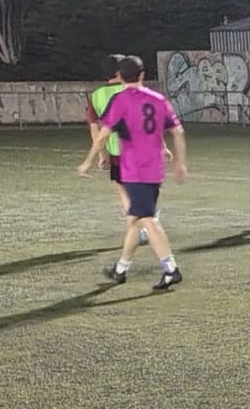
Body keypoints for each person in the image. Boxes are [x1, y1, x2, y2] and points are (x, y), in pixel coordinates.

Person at [80, 55, 187, 290]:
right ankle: (120, 269)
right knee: (136, 219)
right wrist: (180, 163)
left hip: (134, 170)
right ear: (142, 75)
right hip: (154, 170)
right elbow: (177, 131)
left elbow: (103, 133)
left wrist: (89, 160)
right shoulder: (158, 99)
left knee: (147, 220)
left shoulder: (120, 101)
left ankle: (171, 269)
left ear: (120, 76)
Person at [79, 54, 130, 214]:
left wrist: (101, 155)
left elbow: (95, 128)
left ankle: (137, 220)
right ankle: (146, 217)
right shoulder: (132, 89)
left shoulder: (97, 95)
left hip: (116, 151)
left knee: (122, 190)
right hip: (141, 148)